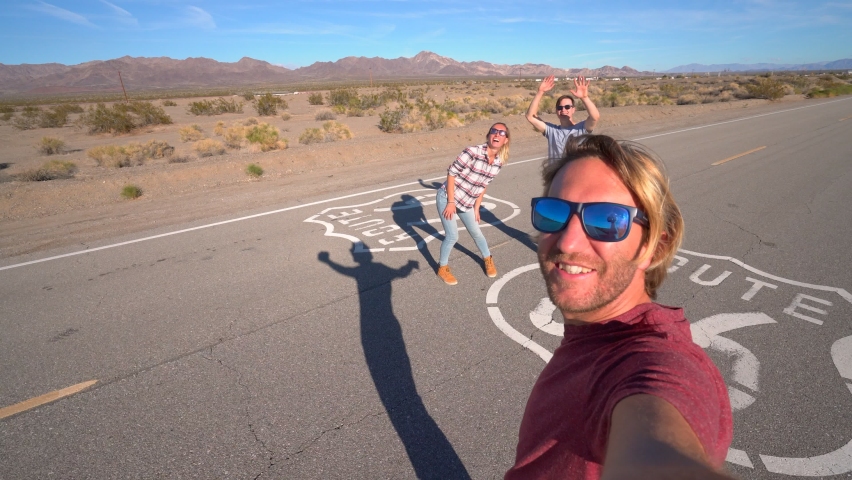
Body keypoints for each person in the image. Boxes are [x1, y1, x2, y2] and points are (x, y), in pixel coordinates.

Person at [506, 135, 733, 479]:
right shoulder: (590, 336)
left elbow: (655, 432)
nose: (567, 241)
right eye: (554, 213)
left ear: (654, 248)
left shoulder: (651, 361)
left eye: (607, 221)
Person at [435, 122, 510, 285]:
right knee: (452, 236)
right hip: (448, 197)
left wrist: (477, 208)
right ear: (488, 135)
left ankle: (488, 259)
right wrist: (451, 202)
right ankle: (442, 267)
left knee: (476, 232)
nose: (497, 134)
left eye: (502, 133)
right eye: (494, 131)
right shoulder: (472, 152)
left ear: (505, 140)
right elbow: (451, 173)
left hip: (467, 202)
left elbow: (483, 185)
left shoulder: (498, 162)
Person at [526, 75, 601, 162]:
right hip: (556, 171)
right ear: (556, 111)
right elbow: (530, 116)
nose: (563, 110)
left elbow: (595, 117)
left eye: (567, 107)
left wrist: (584, 98)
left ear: (573, 109)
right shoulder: (552, 131)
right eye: (559, 108)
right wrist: (540, 92)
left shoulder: (581, 129)